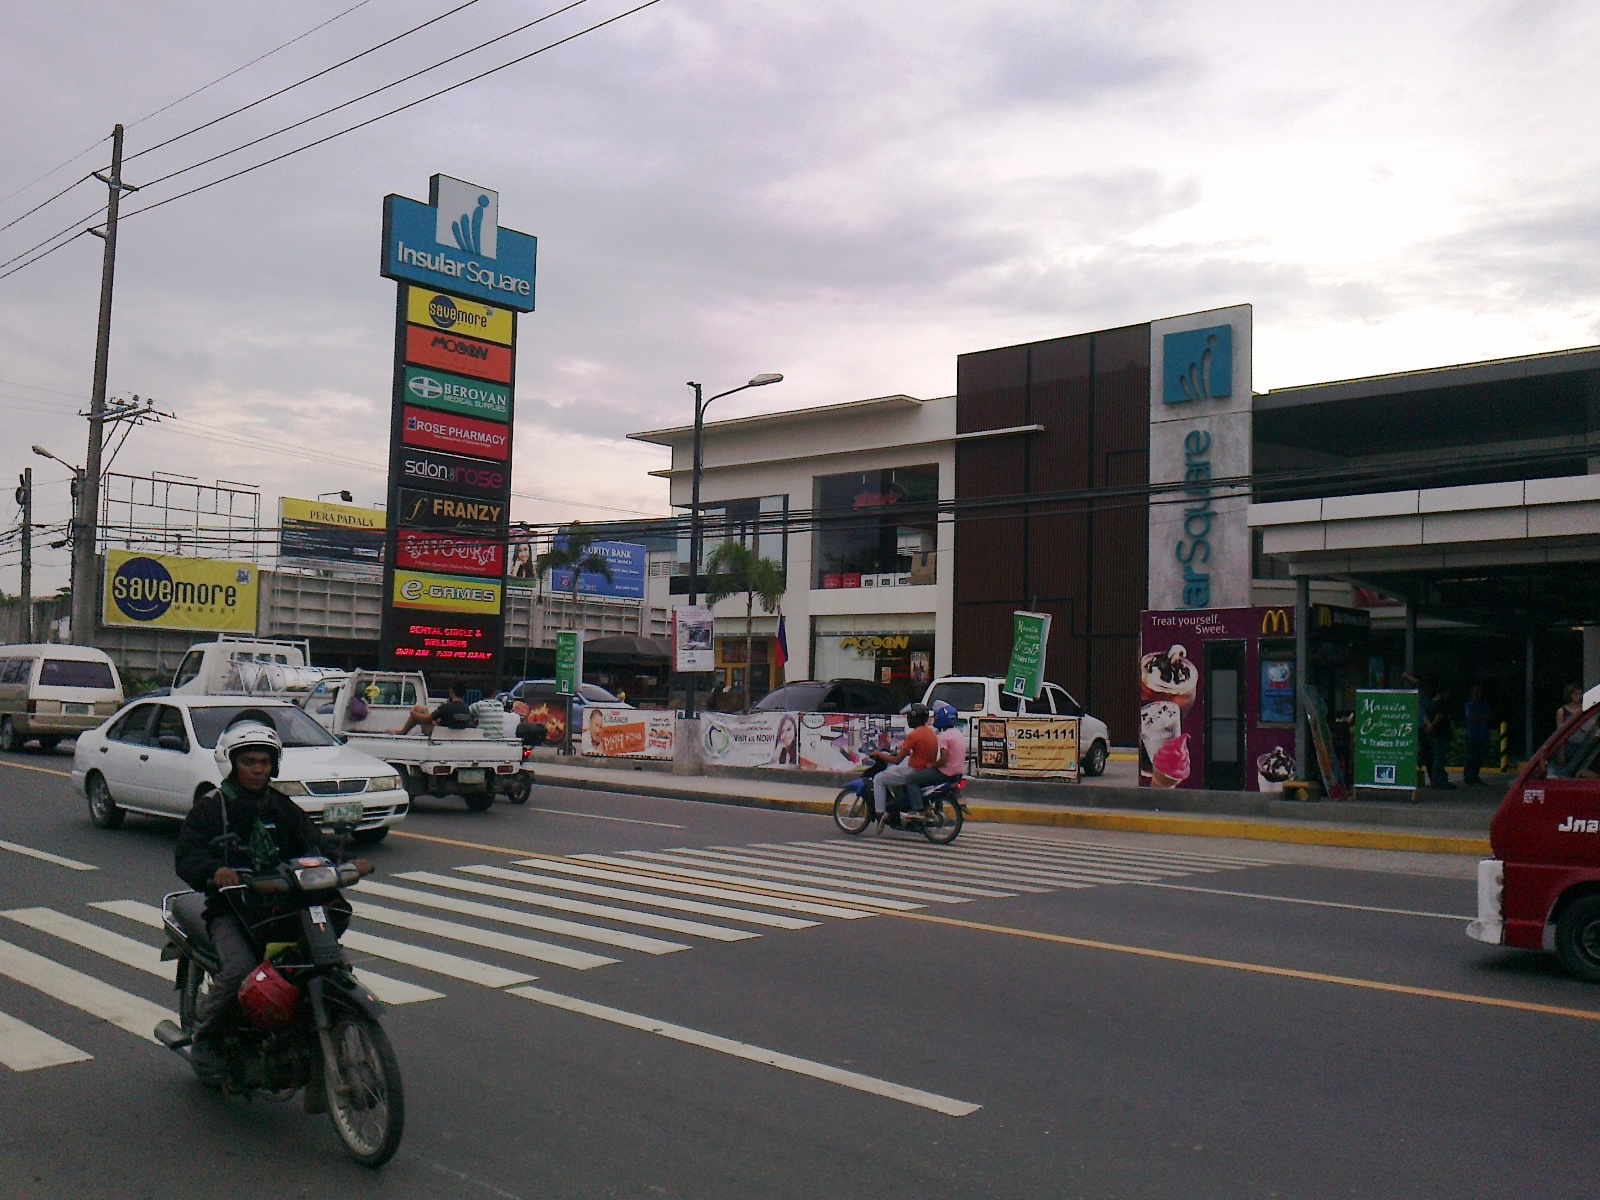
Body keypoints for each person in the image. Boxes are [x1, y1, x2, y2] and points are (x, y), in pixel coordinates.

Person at [173, 721, 372, 1080]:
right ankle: (205, 1038)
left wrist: (343, 863)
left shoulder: (282, 806)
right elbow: (186, 856)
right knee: (239, 969)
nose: (258, 768)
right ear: (232, 763)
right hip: (233, 909)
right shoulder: (211, 808)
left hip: (285, 904)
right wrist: (216, 871)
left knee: (328, 961)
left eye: (265, 762)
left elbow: (312, 845)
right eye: (250, 761)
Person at [871, 703, 938, 826]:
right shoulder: (930, 733)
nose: (907, 719)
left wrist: (879, 755)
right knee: (894, 773)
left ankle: (880, 813)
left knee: (879, 779)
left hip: (914, 770)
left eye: (909, 717)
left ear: (914, 718)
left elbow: (896, 759)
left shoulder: (914, 735)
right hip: (924, 769)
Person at [902, 701, 965, 813]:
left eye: (936, 716)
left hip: (945, 774)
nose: (934, 718)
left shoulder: (944, 736)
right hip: (957, 774)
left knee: (911, 779)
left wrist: (932, 765)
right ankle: (937, 808)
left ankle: (918, 809)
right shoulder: (958, 733)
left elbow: (944, 758)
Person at [399, 682, 474, 736]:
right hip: (454, 734)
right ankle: (402, 731)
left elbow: (426, 719)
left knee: (417, 710)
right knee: (422, 710)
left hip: (439, 734)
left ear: (452, 691)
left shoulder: (446, 707)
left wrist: (413, 713)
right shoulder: (466, 709)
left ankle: (402, 732)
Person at [1424, 686, 1455, 789]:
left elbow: (1425, 716)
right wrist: (1432, 726)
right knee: (1439, 758)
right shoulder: (1442, 704)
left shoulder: (1430, 703)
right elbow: (1439, 716)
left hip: (1432, 735)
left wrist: (1429, 727)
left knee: (1435, 757)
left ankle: (1436, 779)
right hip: (1441, 734)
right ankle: (1439, 781)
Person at [1462, 683, 1492, 786]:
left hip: (1482, 734)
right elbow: (1471, 717)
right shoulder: (1470, 704)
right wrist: (1482, 717)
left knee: (1479, 757)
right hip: (1472, 734)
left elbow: (1488, 716)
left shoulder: (1484, 704)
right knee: (1471, 757)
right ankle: (1468, 777)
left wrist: (1480, 717)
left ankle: (1475, 776)